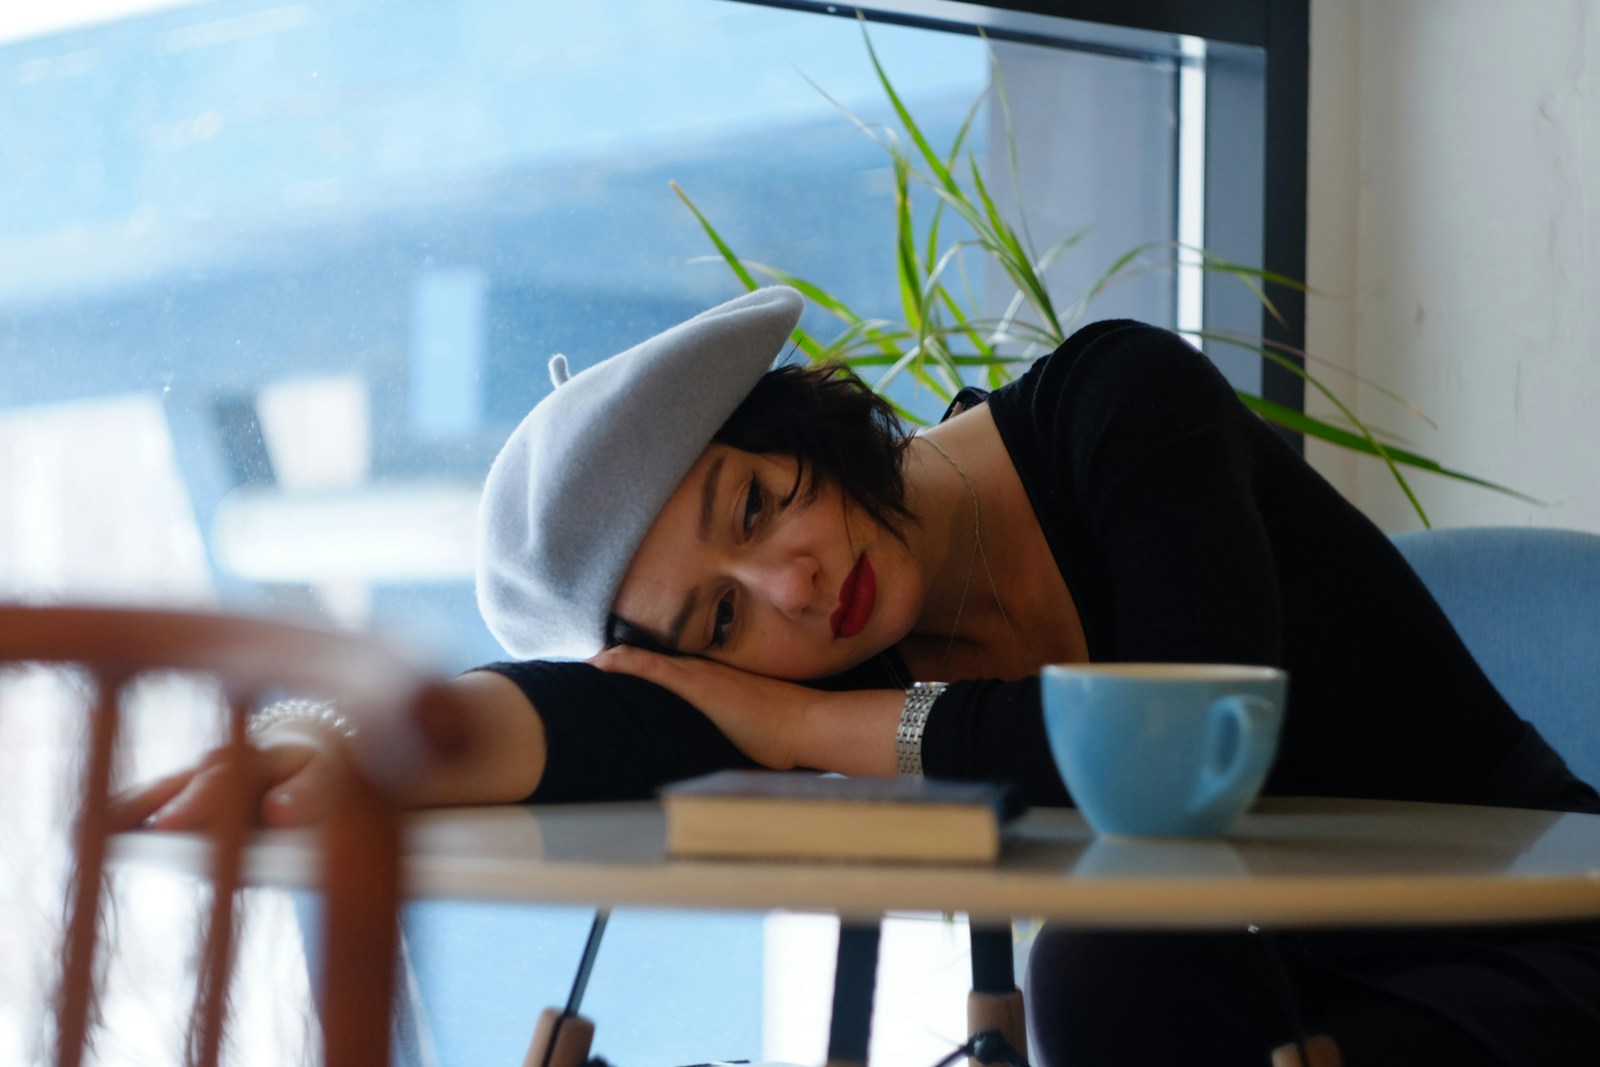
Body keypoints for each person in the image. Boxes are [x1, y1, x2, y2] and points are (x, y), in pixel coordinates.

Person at [113, 287, 1600, 1065]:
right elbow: (581, 718)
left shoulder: (1119, 406)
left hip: (1532, 947)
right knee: (1117, 961)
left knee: (1106, 964)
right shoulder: (830, 637)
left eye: (757, 507)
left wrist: (801, 718)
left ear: (809, 418)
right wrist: (343, 736)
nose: (792, 588)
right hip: (1269, 981)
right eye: (715, 622)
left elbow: (1183, 748)